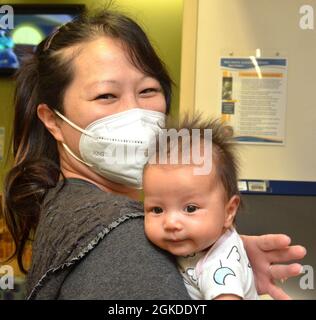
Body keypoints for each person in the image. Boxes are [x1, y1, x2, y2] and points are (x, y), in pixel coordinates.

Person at [3, 9, 305, 300]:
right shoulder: (126, 244)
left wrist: (215, 250)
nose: (134, 111)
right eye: (106, 96)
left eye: (148, 90)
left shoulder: (67, 202)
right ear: (53, 120)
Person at [143, 116, 258, 299]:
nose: (171, 223)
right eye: (157, 210)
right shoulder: (204, 237)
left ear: (228, 212)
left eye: (190, 208)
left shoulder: (220, 266)